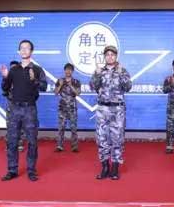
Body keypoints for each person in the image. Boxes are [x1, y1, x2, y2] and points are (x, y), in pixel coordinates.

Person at [0, 40, 47, 182]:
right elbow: (5, 88)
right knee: (12, 141)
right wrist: (5, 77)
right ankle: (12, 170)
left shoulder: (37, 69)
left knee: (32, 141)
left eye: (27, 48)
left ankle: (31, 170)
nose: (24, 50)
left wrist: (34, 80)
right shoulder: (14, 70)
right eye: (22, 48)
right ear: (19, 51)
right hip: (14, 109)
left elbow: (44, 87)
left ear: (31, 51)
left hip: (29, 109)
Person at [90, 45, 132, 180]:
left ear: (116, 56)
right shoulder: (99, 71)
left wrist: (120, 74)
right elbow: (92, 87)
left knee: (117, 139)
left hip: (117, 110)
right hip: (102, 109)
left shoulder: (122, 71)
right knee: (101, 138)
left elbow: (128, 87)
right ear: (104, 57)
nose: (110, 57)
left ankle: (115, 168)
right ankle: (105, 167)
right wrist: (97, 74)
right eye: (107, 54)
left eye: (112, 54)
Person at [55, 63, 81, 152]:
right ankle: (59, 146)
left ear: (72, 71)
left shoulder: (76, 82)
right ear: (64, 70)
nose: (68, 71)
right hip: (62, 108)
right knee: (61, 128)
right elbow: (55, 92)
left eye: (70, 69)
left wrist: (70, 85)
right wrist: (60, 85)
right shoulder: (60, 80)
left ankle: (74, 146)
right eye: (66, 69)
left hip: (72, 108)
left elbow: (78, 93)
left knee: (73, 128)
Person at [1, 61, 26, 151]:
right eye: (11, 68)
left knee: (20, 125)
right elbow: (4, 90)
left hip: (21, 106)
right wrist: (5, 78)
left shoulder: (23, 79)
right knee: (10, 125)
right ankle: (9, 145)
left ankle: (19, 144)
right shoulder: (7, 79)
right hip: (10, 106)